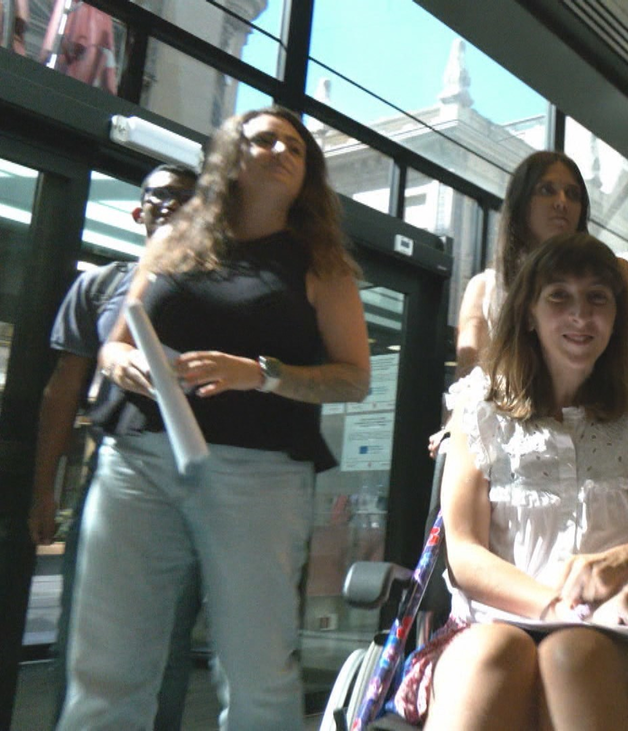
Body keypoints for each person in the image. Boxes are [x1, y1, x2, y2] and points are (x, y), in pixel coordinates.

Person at [57, 106, 371, 730]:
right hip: (138, 460)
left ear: (307, 176)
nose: (281, 151)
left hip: (258, 474)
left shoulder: (322, 266)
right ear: (230, 155)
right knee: (106, 667)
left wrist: (259, 373)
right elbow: (114, 345)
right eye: (264, 140)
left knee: (258, 670)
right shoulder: (173, 241)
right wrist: (125, 363)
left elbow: (353, 378)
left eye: (296, 148)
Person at [393, 232, 628, 729]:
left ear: (617, 316)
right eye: (559, 296)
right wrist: (568, 608)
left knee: (573, 656)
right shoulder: (478, 404)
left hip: (620, 634)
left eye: (597, 298)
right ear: (528, 314)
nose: (580, 315)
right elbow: (466, 555)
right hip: (490, 621)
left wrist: (626, 562)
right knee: (491, 655)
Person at [28, 163, 199, 730]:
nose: (173, 204)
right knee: (86, 634)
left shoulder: (222, 291)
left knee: (168, 637)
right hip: (116, 474)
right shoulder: (101, 285)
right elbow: (63, 391)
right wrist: (45, 490)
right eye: (161, 195)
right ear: (138, 211)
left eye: (188, 196)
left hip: (196, 482)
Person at [428, 151, 628, 495]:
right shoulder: (486, 288)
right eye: (547, 190)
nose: (561, 202)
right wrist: (453, 432)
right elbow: (469, 386)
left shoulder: (617, 274)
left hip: (600, 443)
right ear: (521, 202)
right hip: (516, 457)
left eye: (573, 194)